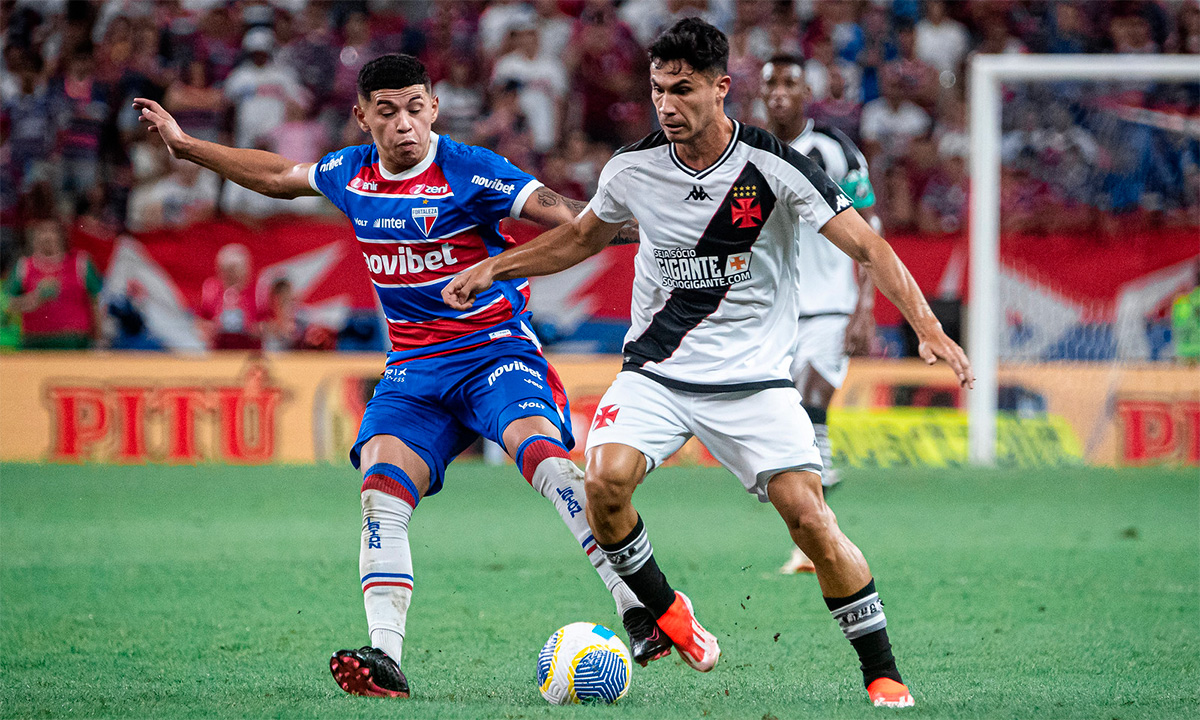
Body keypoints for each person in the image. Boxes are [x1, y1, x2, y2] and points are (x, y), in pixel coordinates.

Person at [445, 18, 973, 710]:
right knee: (602, 481)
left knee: (810, 521)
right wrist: (497, 267)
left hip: (753, 382)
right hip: (656, 372)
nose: (667, 105)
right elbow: (579, 239)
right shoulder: (632, 169)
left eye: (683, 90)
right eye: (658, 89)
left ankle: (881, 671)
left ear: (722, 88)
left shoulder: (775, 168)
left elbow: (870, 247)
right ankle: (668, 613)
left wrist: (928, 329)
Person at [132, 52, 664, 700]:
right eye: (387, 112)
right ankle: (385, 659)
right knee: (380, 486)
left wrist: (656, 226)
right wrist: (187, 147)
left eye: (415, 108)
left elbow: (572, 219)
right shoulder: (350, 175)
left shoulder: (472, 170)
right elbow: (276, 176)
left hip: (496, 352)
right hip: (414, 369)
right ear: (362, 116)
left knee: (545, 459)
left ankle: (635, 607)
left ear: (434, 107)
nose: (404, 124)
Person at [760, 55, 880, 575]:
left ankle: (819, 535)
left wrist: (866, 306)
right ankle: (816, 525)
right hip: (775, 312)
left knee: (812, 398)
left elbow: (869, 223)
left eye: (790, 82)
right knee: (792, 423)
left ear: (807, 89)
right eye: (772, 85)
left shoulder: (831, 148)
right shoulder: (752, 153)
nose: (780, 93)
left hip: (832, 304)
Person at [5, 219, 104, 350]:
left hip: (73, 341)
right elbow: (6, 304)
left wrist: (98, 339)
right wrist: (35, 298)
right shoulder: (24, 266)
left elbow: (95, 302)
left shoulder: (80, 263)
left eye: (52, 231)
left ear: (62, 236)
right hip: (34, 342)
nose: (47, 236)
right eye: (42, 231)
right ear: (33, 238)